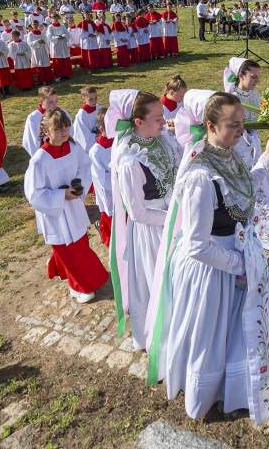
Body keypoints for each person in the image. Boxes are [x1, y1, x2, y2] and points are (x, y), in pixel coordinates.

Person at [143, 91, 269, 423]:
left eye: (242, 124)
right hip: (213, 266)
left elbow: (243, 187)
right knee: (215, 335)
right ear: (210, 125)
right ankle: (218, 387)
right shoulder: (201, 177)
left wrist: (267, 160)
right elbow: (197, 246)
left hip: (239, 251)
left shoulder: (226, 155)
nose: (240, 131)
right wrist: (238, 264)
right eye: (233, 125)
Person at [105, 90, 181, 349]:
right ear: (138, 122)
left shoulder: (162, 138)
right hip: (154, 231)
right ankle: (164, 341)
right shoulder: (129, 160)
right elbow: (138, 213)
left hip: (176, 218)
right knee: (161, 285)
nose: (164, 121)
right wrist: (174, 217)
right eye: (158, 118)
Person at [24, 108, 110, 304]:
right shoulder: (39, 160)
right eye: (58, 128)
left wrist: (78, 186)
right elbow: (34, 194)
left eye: (66, 127)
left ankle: (61, 268)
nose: (64, 132)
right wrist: (61, 194)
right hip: (56, 214)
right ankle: (78, 286)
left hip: (74, 207)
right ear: (47, 131)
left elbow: (85, 166)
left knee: (80, 244)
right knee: (67, 249)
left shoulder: (73, 148)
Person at [223, 57, 269, 250]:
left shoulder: (254, 94)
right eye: (253, 76)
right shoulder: (230, 96)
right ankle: (251, 230)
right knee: (248, 183)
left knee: (262, 182)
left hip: (253, 142)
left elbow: (263, 114)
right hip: (238, 145)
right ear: (241, 75)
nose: (256, 81)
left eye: (258, 77)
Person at [88, 108, 113, 248]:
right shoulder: (96, 151)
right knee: (112, 222)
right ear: (101, 128)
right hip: (110, 193)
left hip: (124, 189)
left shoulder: (119, 142)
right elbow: (101, 180)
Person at [22, 86, 71, 156]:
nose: (55, 105)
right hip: (46, 153)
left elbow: (71, 132)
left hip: (64, 151)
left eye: (56, 101)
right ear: (41, 101)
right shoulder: (33, 118)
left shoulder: (63, 112)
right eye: (50, 102)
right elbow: (31, 142)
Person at [71, 86, 101, 155]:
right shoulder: (81, 115)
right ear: (84, 99)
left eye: (95, 98)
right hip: (89, 146)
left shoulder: (99, 108)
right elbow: (83, 137)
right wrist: (97, 136)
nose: (94, 101)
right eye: (91, 99)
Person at [47, 14, 73, 80]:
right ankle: (58, 75)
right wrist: (57, 37)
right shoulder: (50, 27)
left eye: (56, 18)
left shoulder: (62, 26)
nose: (55, 19)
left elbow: (67, 34)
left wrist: (64, 36)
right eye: (54, 18)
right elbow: (49, 36)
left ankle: (65, 74)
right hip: (56, 45)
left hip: (63, 44)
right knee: (57, 61)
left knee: (64, 59)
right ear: (52, 19)